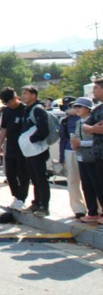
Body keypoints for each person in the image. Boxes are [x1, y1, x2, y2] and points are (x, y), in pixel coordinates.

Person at [0, 87, 30, 210]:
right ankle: (16, 196)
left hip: (23, 147)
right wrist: (0, 144)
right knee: (10, 174)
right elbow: (3, 128)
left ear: (15, 97)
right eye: (6, 103)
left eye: (9, 102)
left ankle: (22, 198)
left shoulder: (25, 109)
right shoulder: (6, 111)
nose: (8, 105)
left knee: (23, 174)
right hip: (10, 146)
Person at [70, 97, 103, 223]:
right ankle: (92, 212)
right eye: (75, 106)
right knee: (87, 186)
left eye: (80, 106)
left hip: (93, 157)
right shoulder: (79, 122)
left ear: (88, 109)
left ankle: (100, 211)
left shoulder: (95, 121)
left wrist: (81, 143)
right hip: (81, 157)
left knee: (97, 185)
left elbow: (97, 141)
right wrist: (74, 144)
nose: (76, 109)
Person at [20, 86, 51, 217]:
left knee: (41, 178)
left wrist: (32, 139)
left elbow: (44, 129)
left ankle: (44, 207)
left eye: (25, 93)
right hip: (30, 150)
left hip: (38, 149)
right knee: (34, 178)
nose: (23, 96)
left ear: (33, 95)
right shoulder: (27, 109)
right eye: (22, 93)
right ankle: (36, 203)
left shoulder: (38, 109)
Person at [81, 78, 103, 229]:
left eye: (96, 88)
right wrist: (94, 129)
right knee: (100, 185)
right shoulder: (98, 109)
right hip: (99, 154)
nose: (93, 91)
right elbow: (85, 126)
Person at [59, 99, 86, 217]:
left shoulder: (87, 118)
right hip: (69, 151)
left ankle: (98, 207)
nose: (73, 109)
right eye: (70, 106)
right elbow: (62, 139)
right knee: (72, 180)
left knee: (90, 181)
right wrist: (61, 158)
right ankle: (78, 208)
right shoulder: (65, 120)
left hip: (86, 150)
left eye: (77, 106)